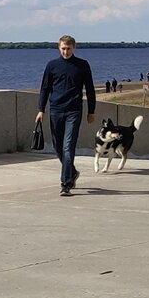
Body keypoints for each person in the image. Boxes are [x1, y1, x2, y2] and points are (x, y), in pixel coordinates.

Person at [35, 35, 96, 197]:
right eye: (63, 48)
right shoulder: (52, 65)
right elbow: (45, 89)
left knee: (68, 146)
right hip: (55, 110)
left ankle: (66, 184)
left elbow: (90, 89)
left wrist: (91, 111)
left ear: (74, 48)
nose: (66, 51)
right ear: (59, 48)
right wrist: (41, 109)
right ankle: (73, 172)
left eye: (68, 48)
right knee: (58, 147)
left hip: (74, 111)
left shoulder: (82, 65)